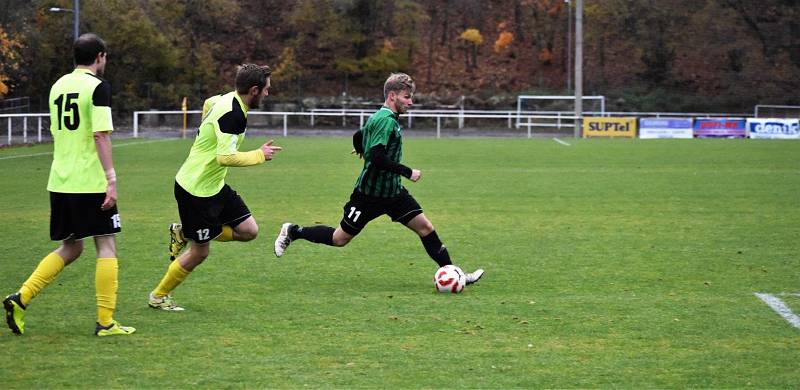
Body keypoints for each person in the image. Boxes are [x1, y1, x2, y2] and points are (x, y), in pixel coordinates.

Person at [274, 72, 484, 286]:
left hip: (393, 194)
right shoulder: (385, 121)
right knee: (339, 239)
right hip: (368, 195)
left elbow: (359, 135)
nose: (410, 102)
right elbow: (376, 157)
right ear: (392, 96)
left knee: (425, 228)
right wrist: (407, 172)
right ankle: (293, 231)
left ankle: (454, 275)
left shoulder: (381, 117)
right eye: (406, 97)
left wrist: (359, 148)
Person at [3, 33, 135, 336]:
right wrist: (111, 180)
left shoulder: (58, 86)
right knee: (106, 245)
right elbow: (100, 135)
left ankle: (20, 298)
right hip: (89, 182)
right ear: (100, 56)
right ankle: (106, 322)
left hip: (60, 180)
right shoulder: (99, 88)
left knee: (72, 247)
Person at [148, 64, 281, 311]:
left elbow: (209, 103)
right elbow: (225, 157)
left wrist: (204, 133)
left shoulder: (225, 98)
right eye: (266, 90)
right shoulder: (234, 115)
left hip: (214, 186)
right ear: (254, 90)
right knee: (200, 253)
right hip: (194, 191)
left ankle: (185, 231)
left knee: (249, 230)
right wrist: (259, 155)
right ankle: (158, 296)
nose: (267, 94)